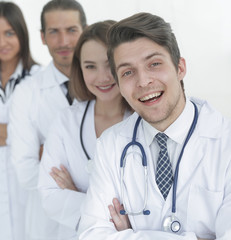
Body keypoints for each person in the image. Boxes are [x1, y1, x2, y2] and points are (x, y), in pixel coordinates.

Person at [78, 12, 231, 240]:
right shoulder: (110, 146)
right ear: (119, 85)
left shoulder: (225, 141)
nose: (143, 81)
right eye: (127, 72)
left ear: (180, 68)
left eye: (154, 64)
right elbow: (91, 234)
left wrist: (132, 235)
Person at [38, 20, 132, 239]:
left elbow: (152, 205)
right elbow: (49, 196)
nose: (103, 76)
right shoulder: (65, 122)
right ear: (79, 69)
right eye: (90, 66)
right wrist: (113, 213)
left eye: (110, 63)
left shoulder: (144, 121)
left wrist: (76, 195)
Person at [8, 0, 87, 239]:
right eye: (54, 32)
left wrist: (52, 157)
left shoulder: (107, 84)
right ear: (42, 37)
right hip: (49, 226)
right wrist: (88, 182)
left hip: (104, 224)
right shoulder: (26, 93)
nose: (63, 41)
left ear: (85, 31)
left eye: (71, 30)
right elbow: (26, 171)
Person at [0, 2, 39, 240]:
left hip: (27, 189)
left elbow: (40, 137)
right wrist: (19, 136)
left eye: (9, 33)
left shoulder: (39, 79)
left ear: (21, 33)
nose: (1, 43)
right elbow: (25, 136)